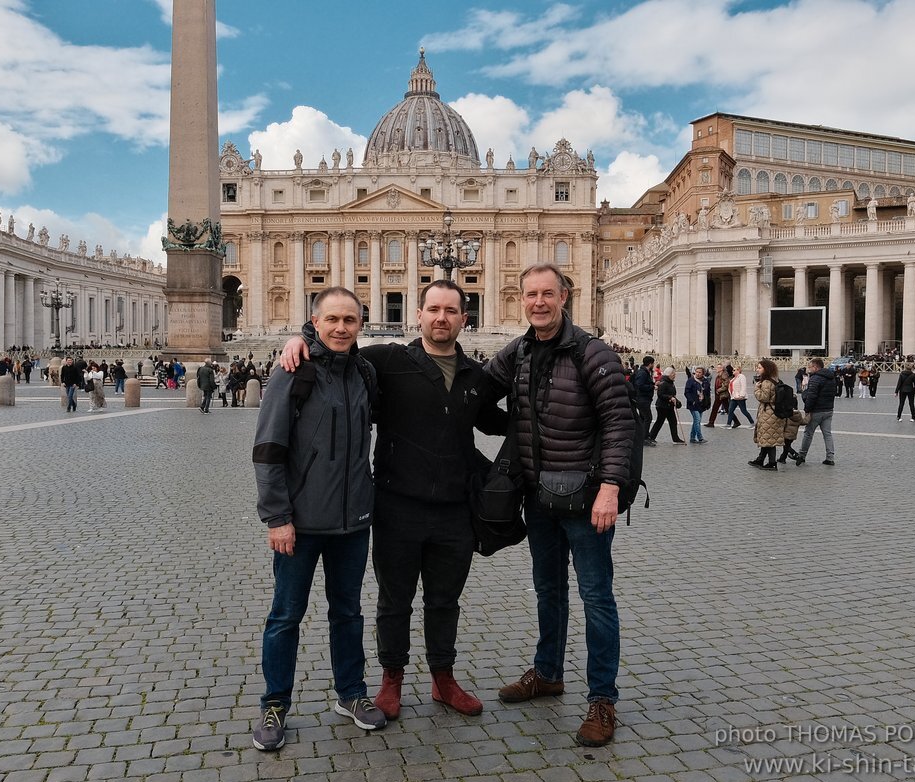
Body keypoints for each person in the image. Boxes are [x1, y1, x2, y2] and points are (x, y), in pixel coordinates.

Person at [280, 280, 506, 722]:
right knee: (393, 599)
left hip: (455, 510)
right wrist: (301, 339)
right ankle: (391, 679)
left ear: (464, 318)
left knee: (445, 600)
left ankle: (443, 678)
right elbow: (336, 348)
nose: (442, 318)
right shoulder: (385, 361)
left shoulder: (475, 377)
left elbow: (499, 423)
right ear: (418, 315)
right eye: (433, 309)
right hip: (397, 505)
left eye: (451, 311)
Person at [484, 263, 634, 748]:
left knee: (596, 598)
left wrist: (611, 485)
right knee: (548, 592)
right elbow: (477, 384)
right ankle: (548, 672)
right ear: (521, 300)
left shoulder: (594, 352)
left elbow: (618, 422)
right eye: (531, 295)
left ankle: (602, 699)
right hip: (539, 498)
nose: (538, 302)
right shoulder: (521, 350)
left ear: (564, 296)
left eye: (547, 294)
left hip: (588, 499)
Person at [251, 287, 385, 752]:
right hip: (300, 524)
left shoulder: (366, 371)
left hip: (353, 521)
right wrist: (276, 517)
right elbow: (268, 449)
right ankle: (274, 704)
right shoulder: (293, 369)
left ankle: (350, 693)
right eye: (333, 319)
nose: (342, 328)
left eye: (350, 320)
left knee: (348, 613)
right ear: (315, 320)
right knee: (286, 616)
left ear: (360, 324)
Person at [794, 357, 836, 466]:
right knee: (827, 434)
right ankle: (830, 457)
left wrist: (807, 408)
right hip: (828, 409)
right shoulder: (831, 377)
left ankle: (802, 456)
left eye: (810, 367)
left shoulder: (815, 378)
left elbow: (811, 396)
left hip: (816, 410)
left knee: (808, 433)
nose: (809, 369)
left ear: (816, 367)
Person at [748, 359, 784, 470]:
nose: (757, 370)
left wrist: (756, 388)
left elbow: (763, 397)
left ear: (766, 369)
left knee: (769, 440)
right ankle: (760, 459)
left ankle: (772, 463)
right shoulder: (775, 380)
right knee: (767, 438)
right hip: (771, 413)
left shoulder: (766, 382)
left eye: (759, 368)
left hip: (769, 413)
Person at [647, 366, 685, 445]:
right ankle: (651, 437)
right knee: (660, 421)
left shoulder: (670, 382)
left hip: (668, 406)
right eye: (673, 374)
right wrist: (670, 397)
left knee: (672, 422)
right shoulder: (663, 382)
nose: (675, 375)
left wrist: (677, 401)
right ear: (669, 374)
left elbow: (672, 394)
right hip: (662, 406)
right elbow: (660, 394)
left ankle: (675, 438)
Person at [630, 356, 655, 443]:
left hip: (644, 398)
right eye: (653, 363)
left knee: (643, 418)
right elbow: (639, 385)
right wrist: (652, 387)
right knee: (648, 418)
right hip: (642, 399)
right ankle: (644, 438)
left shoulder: (645, 372)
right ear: (650, 363)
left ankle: (643, 436)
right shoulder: (643, 373)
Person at [684, 367, 709, 444]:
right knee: (697, 420)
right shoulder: (691, 380)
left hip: (701, 404)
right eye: (696, 372)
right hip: (693, 404)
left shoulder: (705, 381)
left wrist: (707, 403)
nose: (697, 374)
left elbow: (707, 393)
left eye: (699, 372)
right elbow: (686, 392)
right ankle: (700, 437)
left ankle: (692, 437)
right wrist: (692, 401)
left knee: (696, 421)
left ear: (703, 373)